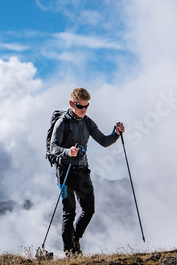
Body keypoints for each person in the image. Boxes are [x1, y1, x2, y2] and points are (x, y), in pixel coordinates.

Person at [49, 88, 124, 256]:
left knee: (89, 209)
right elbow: (53, 147)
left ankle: (75, 238)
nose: (83, 110)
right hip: (65, 172)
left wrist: (116, 134)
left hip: (82, 171)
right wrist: (68, 152)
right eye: (80, 106)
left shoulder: (88, 122)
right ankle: (71, 253)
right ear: (71, 104)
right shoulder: (62, 122)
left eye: (86, 106)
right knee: (69, 212)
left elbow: (104, 141)